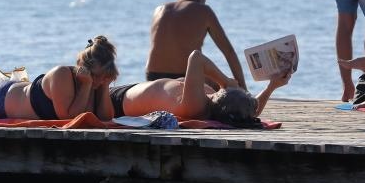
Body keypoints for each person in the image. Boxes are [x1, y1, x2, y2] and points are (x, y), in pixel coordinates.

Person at [112, 50, 290, 125]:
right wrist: (271, 86)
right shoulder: (214, 104)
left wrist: (225, 81)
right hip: (131, 90)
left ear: (223, 93)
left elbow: (195, 57)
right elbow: (251, 113)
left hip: (117, 100)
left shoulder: (195, 105)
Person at [145, 0, 247, 90]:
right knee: (227, 86)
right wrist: (243, 88)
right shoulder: (204, 10)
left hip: (153, 77)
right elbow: (229, 52)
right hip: (185, 76)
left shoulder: (159, 9)